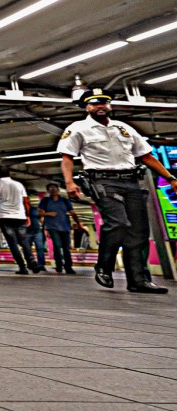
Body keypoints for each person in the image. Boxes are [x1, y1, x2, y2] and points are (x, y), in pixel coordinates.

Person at [59, 88, 169, 294]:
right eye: (94, 103)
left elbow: (146, 156)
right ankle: (104, 266)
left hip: (131, 181)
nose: (100, 106)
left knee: (139, 232)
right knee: (118, 223)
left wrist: (171, 179)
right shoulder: (78, 128)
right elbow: (67, 157)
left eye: (104, 103)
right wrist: (69, 183)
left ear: (109, 106)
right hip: (102, 181)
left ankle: (138, 280)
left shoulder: (123, 128)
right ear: (87, 107)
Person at [0, 166, 38, 274]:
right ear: (9, 173)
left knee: (12, 243)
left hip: (5, 218)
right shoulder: (19, 184)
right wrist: (28, 215)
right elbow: (26, 201)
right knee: (24, 241)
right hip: (20, 217)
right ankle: (32, 261)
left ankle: (22, 267)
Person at [39, 182, 79, 274]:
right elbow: (39, 212)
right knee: (57, 246)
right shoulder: (45, 201)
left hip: (65, 227)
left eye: (55, 188)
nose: (53, 190)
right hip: (52, 227)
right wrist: (48, 214)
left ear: (58, 190)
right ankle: (59, 264)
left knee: (66, 248)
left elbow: (72, 212)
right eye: (50, 189)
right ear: (48, 191)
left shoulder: (65, 200)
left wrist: (78, 223)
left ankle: (68, 266)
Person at [25, 189, 48, 271]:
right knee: (27, 249)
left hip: (37, 231)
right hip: (26, 232)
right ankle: (30, 263)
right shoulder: (21, 211)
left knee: (40, 248)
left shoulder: (34, 209)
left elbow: (41, 218)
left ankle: (41, 264)